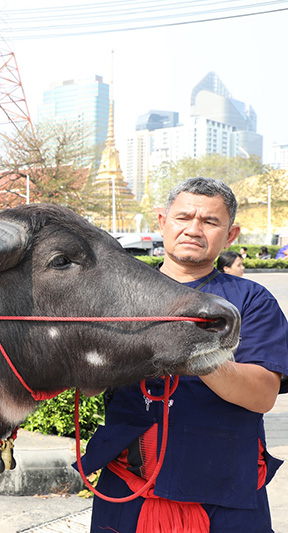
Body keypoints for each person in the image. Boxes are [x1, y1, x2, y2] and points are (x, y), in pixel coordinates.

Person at [79, 177, 288, 532]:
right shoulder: (119, 294)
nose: (194, 229)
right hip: (130, 485)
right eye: (183, 217)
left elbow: (263, 395)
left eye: (209, 221)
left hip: (223, 491)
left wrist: (194, 351)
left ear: (231, 234)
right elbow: (89, 387)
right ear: (162, 221)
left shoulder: (250, 300)